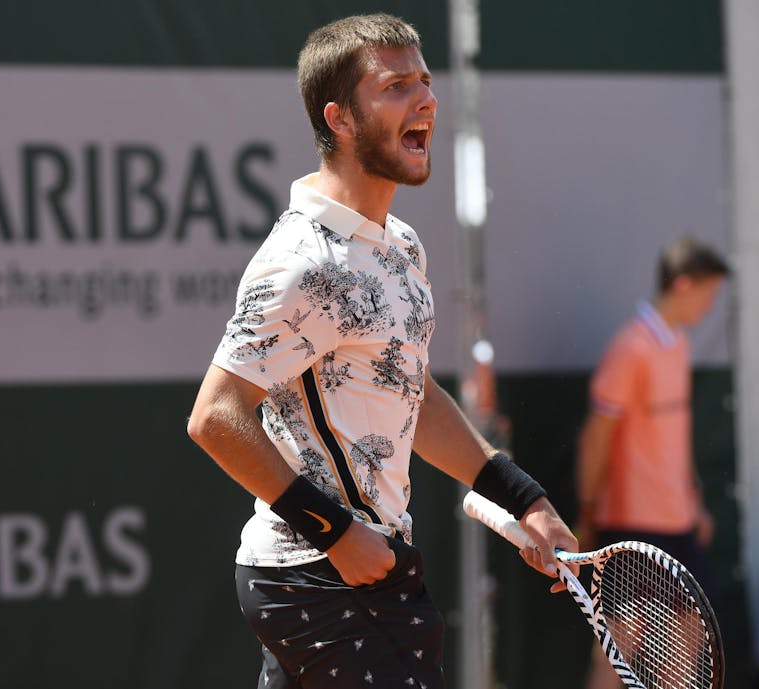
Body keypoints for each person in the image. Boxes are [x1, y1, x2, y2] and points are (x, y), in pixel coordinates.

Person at [187, 13, 577, 689]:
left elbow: (411, 392)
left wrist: (523, 498)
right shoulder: (303, 261)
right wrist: (334, 530)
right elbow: (216, 415)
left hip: (356, 574)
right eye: (396, 87)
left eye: (425, 81)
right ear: (338, 119)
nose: (426, 99)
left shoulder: (399, 245)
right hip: (318, 579)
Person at [576, 236, 730, 689]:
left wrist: (694, 500)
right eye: (708, 293)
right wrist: (588, 510)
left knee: (691, 632)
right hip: (630, 525)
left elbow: (674, 437)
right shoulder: (631, 348)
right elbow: (596, 438)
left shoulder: (677, 344)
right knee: (617, 647)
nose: (710, 304)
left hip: (678, 524)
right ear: (683, 285)